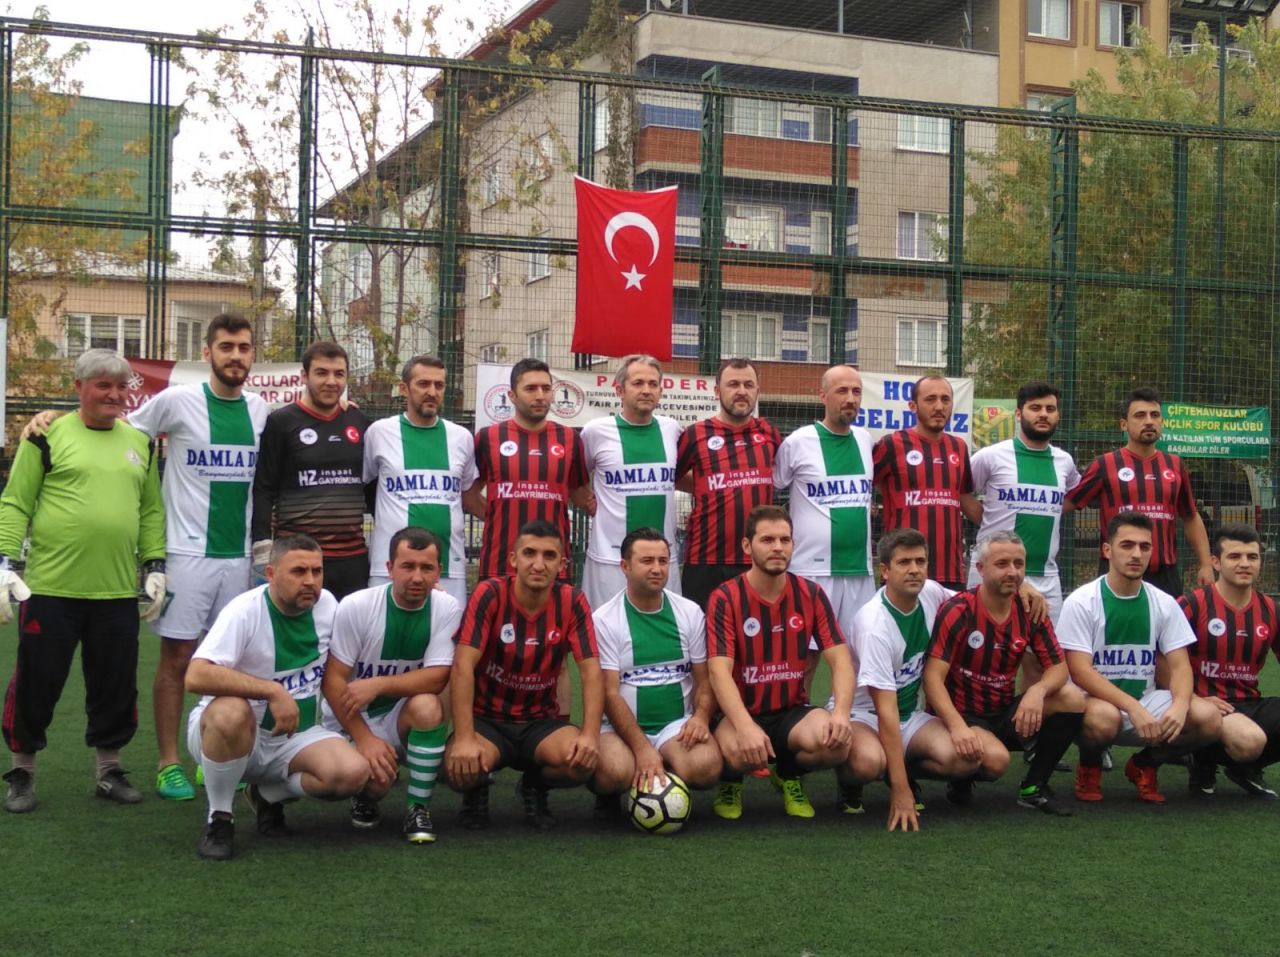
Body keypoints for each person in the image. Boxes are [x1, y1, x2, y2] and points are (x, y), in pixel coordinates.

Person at [1, 349, 166, 814]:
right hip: (50, 590)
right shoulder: (45, 436)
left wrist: (155, 564)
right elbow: (15, 502)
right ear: (79, 387)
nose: (114, 394)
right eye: (102, 385)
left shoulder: (140, 442)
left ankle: (109, 772)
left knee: (115, 685)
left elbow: (151, 510)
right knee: (36, 682)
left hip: (116, 592)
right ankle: (22, 772)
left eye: (121, 386)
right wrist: (4, 562)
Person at [126, 313, 269, 803]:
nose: (235, 356)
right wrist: (52, 420)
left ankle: (215, 753)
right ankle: (168, 763)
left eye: (244, 348)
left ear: (253, 356)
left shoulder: (260, 409)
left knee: (229, 659)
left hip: (238, 558)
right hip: (186, 554)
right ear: (207, 353)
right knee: (177, 657)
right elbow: (124, 431)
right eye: (226, 346)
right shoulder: (178, 401)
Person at [185, 534, 370, 859]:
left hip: (295, 738)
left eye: (316, 571)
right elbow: (196, 675)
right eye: (298, 571)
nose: (310, 581)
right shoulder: (244, 611)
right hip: (234, 734)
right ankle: (220, 818)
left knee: (353, 773)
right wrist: (272, 690)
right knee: (230, 712)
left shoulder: (328, 605)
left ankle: (267, 796)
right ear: (271, 574)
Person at [444, 520, 604, 830]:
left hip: (539, 723)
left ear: (562, 564)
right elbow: (462, 666)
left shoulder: (572, 601)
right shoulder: (490, 594)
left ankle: (535, 785)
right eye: (529, 553)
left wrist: (589, 735)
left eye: (549, 556)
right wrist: (463, 738)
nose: (538, 564)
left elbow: (591, 671)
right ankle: (475, 792)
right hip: (487, 721)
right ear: (513, 559)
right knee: (457, 766)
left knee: (582, 763)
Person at [1058, 511, 1222, 803]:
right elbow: (1080, 671)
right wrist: (1132, 707)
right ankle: (1090, 765)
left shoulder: (1163, 602)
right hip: (1095, 705)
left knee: (1208, 719)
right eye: (1127, 545)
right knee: (1104, 719)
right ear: (1107, 550)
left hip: (1145, 700)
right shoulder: (1082, 601)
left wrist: (1180, 705)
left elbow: (1180, 666)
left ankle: (1145, 764)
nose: (1136, 554)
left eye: (1144, 547)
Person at [706, 505, 855, 821]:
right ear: (747, 546)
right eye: (767, 540)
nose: (777, 547)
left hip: (792, 711)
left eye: (784, 540)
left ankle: (788, 774)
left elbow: (841, 659)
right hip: (741, 712)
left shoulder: (811, 593)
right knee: (737, 750)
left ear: (793, 545)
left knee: (837, 744)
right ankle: (731, 781)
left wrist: (841, 713)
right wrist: (745, 726)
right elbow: (719, 672)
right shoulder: (726, 597)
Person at [924, 531, 1084, 817]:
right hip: (961, 715)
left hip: (1003, 712)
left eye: (1018, 564)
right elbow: (932, 678)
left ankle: (1034, 787)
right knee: (996, 762)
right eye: (1002, 564)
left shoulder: (1031, 610)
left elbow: (1059, 668)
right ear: (981, 568)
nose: (1012, 572)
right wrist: (958, 726)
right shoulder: (959, 610)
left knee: (1071, 698)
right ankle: (958, 778)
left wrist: (1037, 691)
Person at [321, 527, 463, 843]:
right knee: (376, 780)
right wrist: (364, 738)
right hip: (351, 718)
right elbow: (332, 680)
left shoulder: (447, 607)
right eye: (407, 566)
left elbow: (437, 676)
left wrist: (378, 685)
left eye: (427, 568)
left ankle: (418, 809)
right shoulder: (357, 606)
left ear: (439, 570)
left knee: (428, 705)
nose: (417, 577)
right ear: (389, 568)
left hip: (398, 716)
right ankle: (365, 797)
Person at [835, 529, 976, 831]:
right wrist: (901, 792)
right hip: (865, 715)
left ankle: (901, 767)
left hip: (910, 715)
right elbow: (885, 711)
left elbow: (975, 603)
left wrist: (1023, 590)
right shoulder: (874, 624)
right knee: (867, 763)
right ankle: (852, 781)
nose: (914, 569)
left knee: (967, 759)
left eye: (920, 561)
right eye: (904, 563)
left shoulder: (931, 593)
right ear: (885, 571)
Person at [594, 528, 723, 809]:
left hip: (675, 725)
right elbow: (609, 694)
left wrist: (701, 718)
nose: (657, 569)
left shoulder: (689, 612)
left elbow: (705, 679)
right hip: (619, 729)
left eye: (663, 561)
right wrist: (641, 747)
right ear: (625, 566)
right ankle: (611, 794)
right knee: (613, 772)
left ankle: (664, 775)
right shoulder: (605, 619)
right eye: (647, 561)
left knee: (707, 768)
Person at [251, 341, 373, 601]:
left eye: (339, 374)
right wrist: (262, 546)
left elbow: (373, 490)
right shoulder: (281, 422)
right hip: (299, 558)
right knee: (297, 626)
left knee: (348, 628)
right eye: (321, 373)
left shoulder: (359, 422)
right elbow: (264, 488)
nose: (331, 381)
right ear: (304, 376)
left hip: (352, 559)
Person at [1068, 387, 1213, 597]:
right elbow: (1067, 503)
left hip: (1165, 574)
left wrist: (1206, 564)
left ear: (1162, 422)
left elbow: (1190, 516)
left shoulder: (1175, 465)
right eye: (1140, 415)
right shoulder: (1104, 464)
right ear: (1124, 424)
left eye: (1155, 415)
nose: (1149, 421)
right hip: (1116, 571)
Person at [363, 355, 477, 604]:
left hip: (450, 567)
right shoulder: (379, 433)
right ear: (404, 389)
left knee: (446, 629)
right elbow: (363, 485)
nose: (432, 392)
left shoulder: (462, 438)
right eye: (423, 384)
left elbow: (468, 493)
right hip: (389, 568)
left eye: (439, 385)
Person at [467, 357, 592, 584]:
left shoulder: (570, 439)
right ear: (512, 395)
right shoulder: (488, 438)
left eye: (546, 388)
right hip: (500, 563)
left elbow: (581, 496)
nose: (540, 395)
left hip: (553, 565)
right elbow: (469, 496)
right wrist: (500, 517)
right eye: (531, 388)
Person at [773, 364, 875, 638]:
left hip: (859, 569)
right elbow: (772, 487)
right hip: (810, 568)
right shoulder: (798, 441)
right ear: (822, 396)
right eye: (842, 391)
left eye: (856, 391)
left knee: (858, 650)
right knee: (804, 650)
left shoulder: (865, 440)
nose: (850, 398)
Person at [1178, 523, 1276, 799]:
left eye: (1252, 557)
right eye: (1235, 556)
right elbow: (1162, 660)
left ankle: (1245, 768)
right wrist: (1190, 699)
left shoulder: (1271, 610)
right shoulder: (1191, 604)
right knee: (1249, 741)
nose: (1245, 563)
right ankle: (1202, 761)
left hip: (1249, 703)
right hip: (1200, 704)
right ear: (1216, 562)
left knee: (1249, 742)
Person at [968, 381, 1080, 621]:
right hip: (994, 572)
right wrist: (986, 519)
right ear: (1019, 414)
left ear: (1058, 416)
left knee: (1046, 645)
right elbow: (962, 493)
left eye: (1050, 409)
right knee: (987, 643)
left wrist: (1050, 509)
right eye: (1035, 408)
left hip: (1046, 576)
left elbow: (1072, 497)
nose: (1043, 414)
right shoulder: (990, 456)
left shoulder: (1065, 462)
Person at [580, 354, 683, 608]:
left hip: (662, 558)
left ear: (661, 391)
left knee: (662, 626)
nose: (646, 390)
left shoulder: (672, 429)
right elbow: (577, 476)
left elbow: (683, 477)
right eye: (638, 383)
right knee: (604, 629)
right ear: (620, 390)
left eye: (653, 384)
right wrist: (585, 499)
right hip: (610, 559)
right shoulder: (596, 431)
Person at [675, 358, 780, 607]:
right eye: (733, 384)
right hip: (706, 559)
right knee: (702, 628)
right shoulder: (695, 434)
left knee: (756, 628)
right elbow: (674, 477)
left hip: (757, 558)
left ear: (757, 391)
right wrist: (706, 486)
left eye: (748, 385)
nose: (741, 391)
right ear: (717, 391)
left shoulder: (769, 433)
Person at [873, 375, 979, 591]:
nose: (939, 406)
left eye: (945, 399)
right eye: (930, 399)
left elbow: (964, 498)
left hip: (950, 571)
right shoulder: (891, 444)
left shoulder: (959, 447)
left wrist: (1003, 520)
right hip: (904, 571)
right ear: (913, 406)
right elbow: (866, 485)